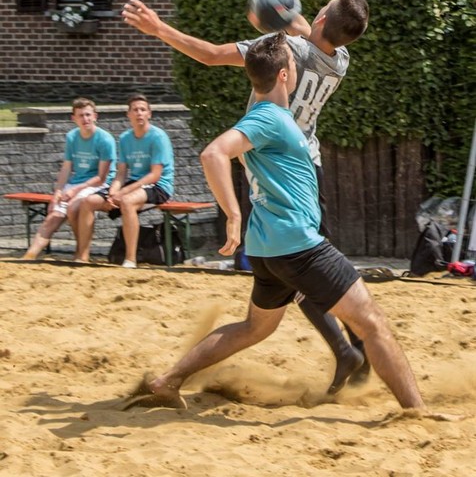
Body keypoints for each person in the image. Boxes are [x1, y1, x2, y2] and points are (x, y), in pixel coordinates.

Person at [122, 33, 426, 412]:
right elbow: (213, 154)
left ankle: (168, 381)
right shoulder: (267, 117)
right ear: (284, 75)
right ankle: (418, 412)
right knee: (373, 323)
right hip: (298, 246)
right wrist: (233, 215)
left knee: (255, 328)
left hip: (269, 248)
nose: (299, 66)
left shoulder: (273, 116)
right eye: (294, 63)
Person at [122, 0, 370, 393]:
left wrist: (159, 28)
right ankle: (353, 345)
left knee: (298, 264)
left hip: (275, 165)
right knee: (307, 262)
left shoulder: (287, 52)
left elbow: (211, 55)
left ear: (322, 19)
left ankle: (347, 349)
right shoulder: (340, 57)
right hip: (307, 166)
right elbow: (310, 26)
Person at [76, 93, 174, 267]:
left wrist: (123, 193)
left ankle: (130, 259)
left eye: (143, 110)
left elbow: (155, 175)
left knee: (127, 201)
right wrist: (113, 192)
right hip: (134, 183)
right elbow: (121, 173)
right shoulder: (125, 138)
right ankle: (82, 256)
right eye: (135, 110)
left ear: (149, 114)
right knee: (88, 201)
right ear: (128, 114)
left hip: (158, 186)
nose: (139, 113)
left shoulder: (158, 137)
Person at [22, 98, 116, 261]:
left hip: (99, 185)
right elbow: (66, 167)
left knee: (73, 208)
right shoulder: (72, 137)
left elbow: (101, 178)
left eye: (88, 115)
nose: (85, 119)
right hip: (76, 182)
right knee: (52, 218)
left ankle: (81, 254)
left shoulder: (105, 139)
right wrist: (58, 192)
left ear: (95, 116)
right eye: (81, 115)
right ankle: (29, 256)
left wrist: (75, 190)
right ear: (74, 118)